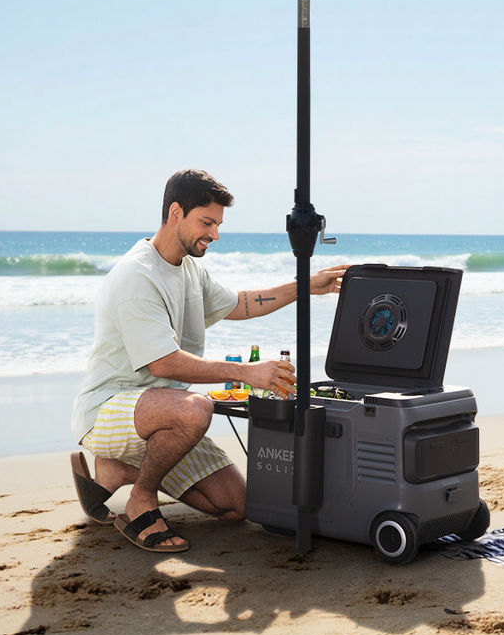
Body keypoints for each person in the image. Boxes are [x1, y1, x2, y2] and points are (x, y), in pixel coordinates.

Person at [70, 169, 346, 554]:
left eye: (217, 224)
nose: (214, 234)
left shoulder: (189, 267)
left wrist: (305, 286)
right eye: (207, 222)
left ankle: (121, 468)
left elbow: (241, 304)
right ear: (175, 213)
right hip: (107, 410)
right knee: (195, 409)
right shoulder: (137, 276)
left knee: (236, 506)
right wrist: (246, 373)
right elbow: (163, 364)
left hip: (161, 413)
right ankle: (141, 500)